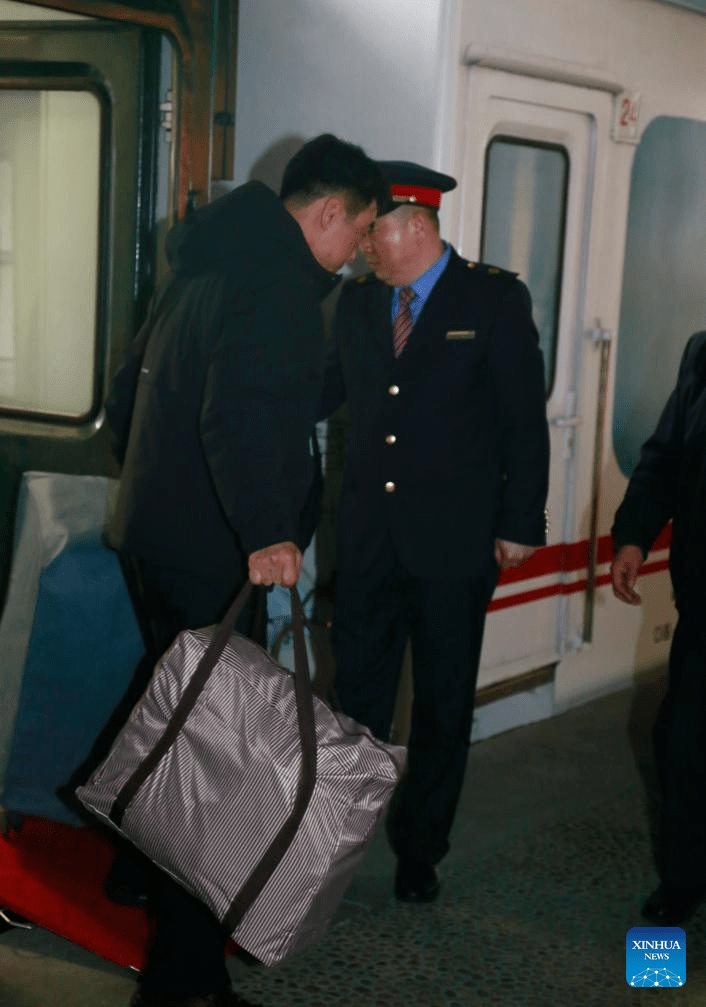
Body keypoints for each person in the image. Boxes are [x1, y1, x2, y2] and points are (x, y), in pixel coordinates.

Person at [103, 134, 386, 1007]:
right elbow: (238, 415)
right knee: (213, 759)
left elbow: (128, 392)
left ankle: (132, 873)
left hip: (156, 533)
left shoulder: (212, 262)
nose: (366, 249)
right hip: (218, 554)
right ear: (329, 212)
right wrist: (267, 531)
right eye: (365, 229)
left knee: (174, 717)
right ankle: (184, 978)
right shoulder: (273, 285)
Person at [318, 161, 550, 903]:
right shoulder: (355, 306)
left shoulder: (492, 299)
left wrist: (522, 522)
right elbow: (327, 393)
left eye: (373, 233)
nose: (362, 248)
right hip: (368, 542)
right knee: (356, 700)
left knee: (444, 702)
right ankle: (334, 845)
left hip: (454, 544)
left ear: (414, 226)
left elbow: (523, 420)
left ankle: (422, 847)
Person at [611, 329, 706, 927]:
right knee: (683, 745)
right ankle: (682, 884)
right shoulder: (700, 352)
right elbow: (667, 458)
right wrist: (633, 536)